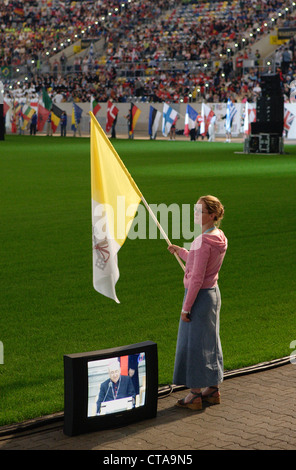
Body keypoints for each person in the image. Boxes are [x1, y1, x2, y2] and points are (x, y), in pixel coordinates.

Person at [168, 195, 228, 410]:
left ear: (212, 215)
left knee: (193, 344)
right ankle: (212, 389)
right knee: (210, 341)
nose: (195, 214)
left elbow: (196, 278)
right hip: (213, 294)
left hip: (199, 298)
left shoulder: (202, 242)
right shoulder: (219, 236)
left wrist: (186, 308)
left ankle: (194, 395)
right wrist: (181, 252)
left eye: (199, 211)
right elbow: (200, 262)